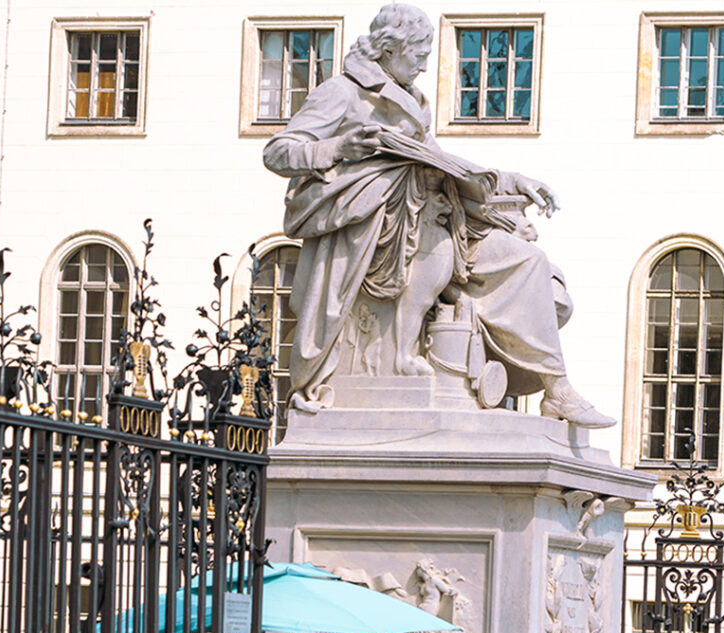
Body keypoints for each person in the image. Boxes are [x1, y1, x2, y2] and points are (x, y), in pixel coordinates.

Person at [262, 3, 614, 428]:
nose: (425, 65)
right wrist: (339, 148)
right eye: (419, 54)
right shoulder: (343, 91)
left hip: (433, 213)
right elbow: (278, 152)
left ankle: (556, 391)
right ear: (389, 50)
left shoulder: (414, 99)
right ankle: (408, 355)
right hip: (379, 227)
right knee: (440, 253)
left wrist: (510, 180)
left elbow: (441, 160)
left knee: (531, 262)